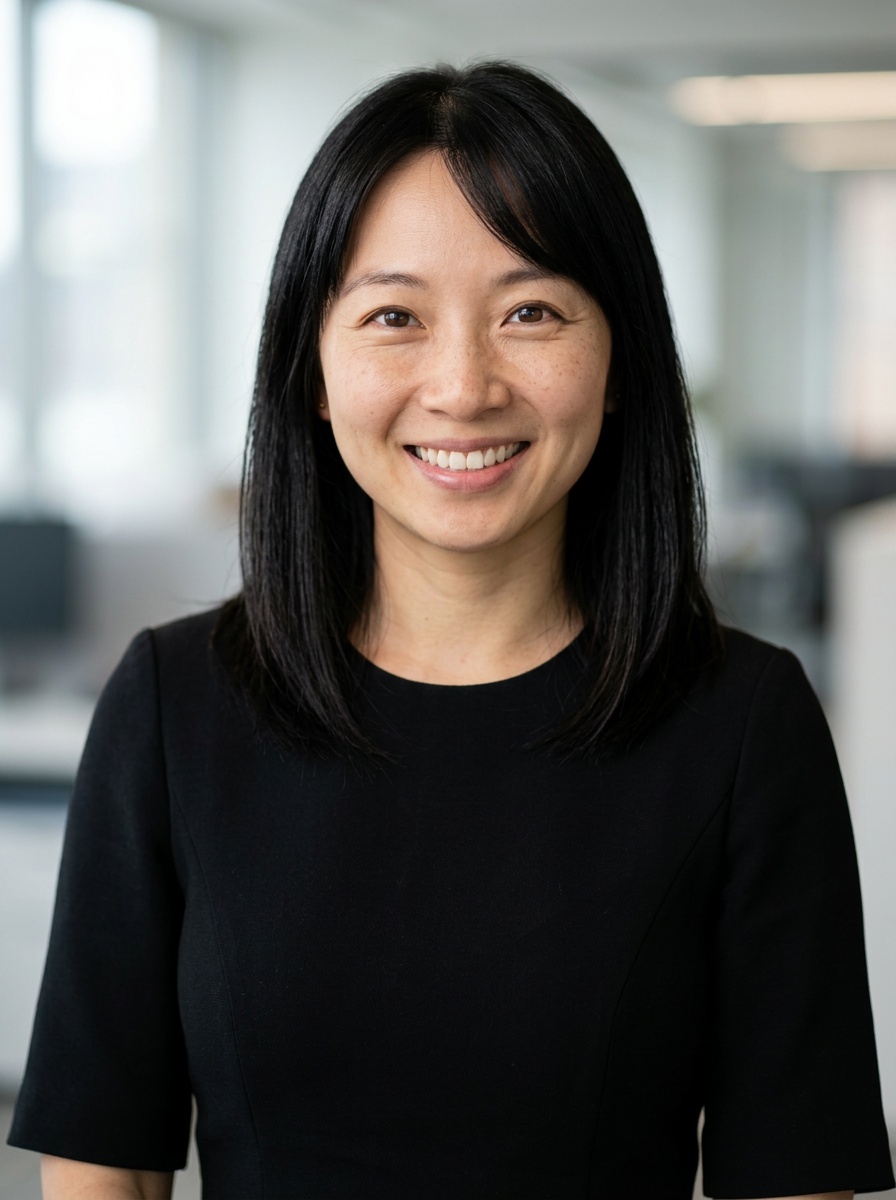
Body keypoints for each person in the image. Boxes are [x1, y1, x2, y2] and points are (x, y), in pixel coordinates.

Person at [8, 61, 894, 1200]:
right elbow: (102, 1169)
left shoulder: (741, 724)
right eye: (393, 317)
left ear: (618, 359)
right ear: (313, 373)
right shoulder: (176, 706)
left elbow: (791, 1180)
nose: (462, 385)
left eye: (530, 311)